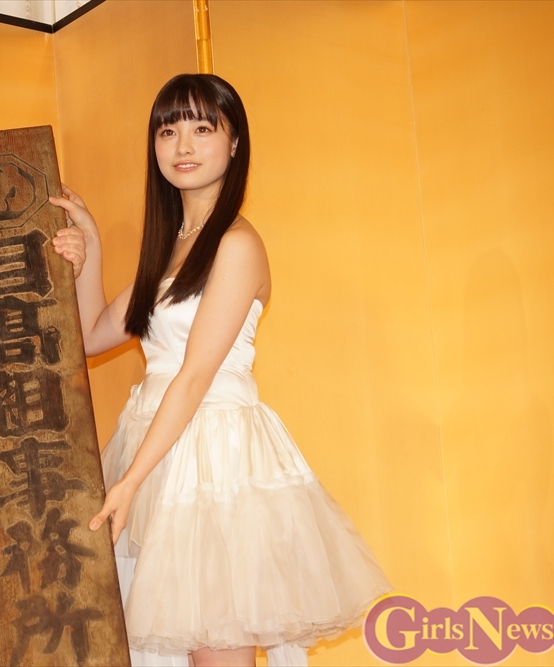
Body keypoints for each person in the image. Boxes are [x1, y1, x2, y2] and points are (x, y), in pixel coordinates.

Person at [50, 74, 392, 667]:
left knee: (215, 641)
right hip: (160, 447)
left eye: (203, 128)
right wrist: (91, 245)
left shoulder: (236, 243)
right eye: (168, 131)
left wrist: (129, 482)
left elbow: (195, 376)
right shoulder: (171, 245)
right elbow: (91, 336)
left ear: (234, 144)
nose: (182, 145)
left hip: (213, 457)